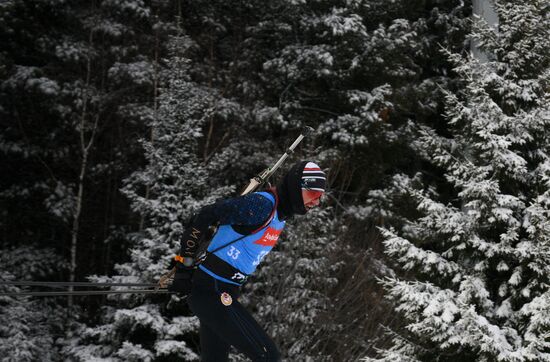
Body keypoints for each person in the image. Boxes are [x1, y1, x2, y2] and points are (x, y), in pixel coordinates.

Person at [168, 160, 326, 361]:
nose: (316, 202)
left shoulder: (280, 213)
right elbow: (206, 214)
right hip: (210, 290)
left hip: (223, 290)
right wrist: (184, 267)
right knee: (268, 356)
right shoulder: (262, 205)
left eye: (320, 198)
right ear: (297, 187)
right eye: (313, 194)